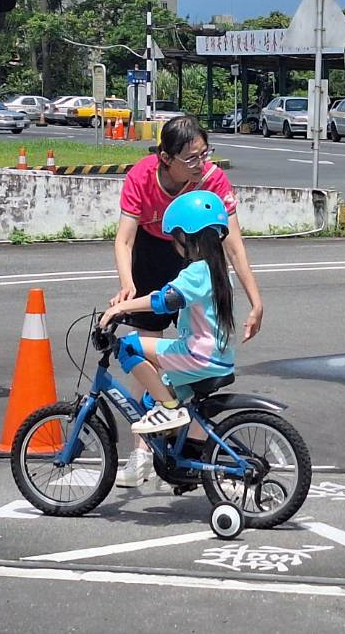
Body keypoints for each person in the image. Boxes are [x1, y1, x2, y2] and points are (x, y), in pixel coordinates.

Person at [110, 115, 264, 485]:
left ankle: (186, 450)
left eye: (204, 154)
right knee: (149, 344)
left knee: (163, 353)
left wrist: (256, 301)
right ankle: (141, 453)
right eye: (192, 158)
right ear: (166, 158)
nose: (201, 165)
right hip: (151, 250)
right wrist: (128, 286)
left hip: (193, 253)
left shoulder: (212, 179)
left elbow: (233, 245)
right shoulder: (143, 176)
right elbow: (124, 240)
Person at [100, 190, 235, 443]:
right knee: (154, 396)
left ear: (185, 236)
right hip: (218, 356)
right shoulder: (219, 271)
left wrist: (121, 307)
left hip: (198, 355)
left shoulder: (197, 271)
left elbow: (164, 301)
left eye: (174, 236)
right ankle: (178, 452)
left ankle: (169, 408)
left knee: (129, 346)